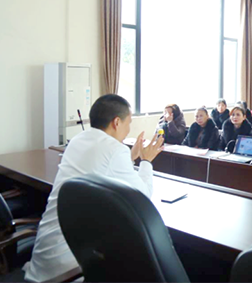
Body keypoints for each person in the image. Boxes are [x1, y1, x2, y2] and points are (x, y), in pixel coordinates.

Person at [24, 94, 164, 283]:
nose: (129, 129)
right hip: (68, 272)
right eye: (128, 123)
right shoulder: (114, 149)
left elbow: (103, 170)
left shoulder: (78, 140)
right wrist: (146, 161)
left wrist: (129, 158)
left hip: (43, 261)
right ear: (116, 122)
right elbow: (143, 197)